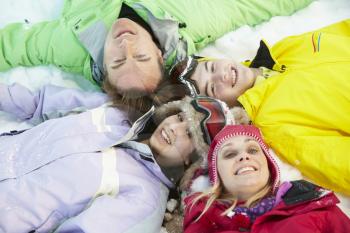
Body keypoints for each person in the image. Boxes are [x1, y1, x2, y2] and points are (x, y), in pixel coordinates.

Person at [0, 0, 313, 112]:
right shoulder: (188, 21)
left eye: (118, 61)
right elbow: (248, 5)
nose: (125, 46)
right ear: (160, 54)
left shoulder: (70, 44)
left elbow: (10, 47)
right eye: (141, 57)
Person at [0, 87, 241, 232]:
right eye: (178, 117)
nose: (172, 127)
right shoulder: (118, 115)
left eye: (188, 133)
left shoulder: (144, 199)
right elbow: (41, 101)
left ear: (193, 160)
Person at [168, 19, 350, 195]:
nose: (221, 75)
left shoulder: (284, 48)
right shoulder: (272, 121)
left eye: (212, 67)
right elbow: (336, 162)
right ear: (220, 105)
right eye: (212, 88)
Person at [183, 125, 350, 233]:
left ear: (269, 165)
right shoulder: (203, 219)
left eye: (253, 150)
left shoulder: (311, 203)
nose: (243, 156)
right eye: (230, 154)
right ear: (217, 174)